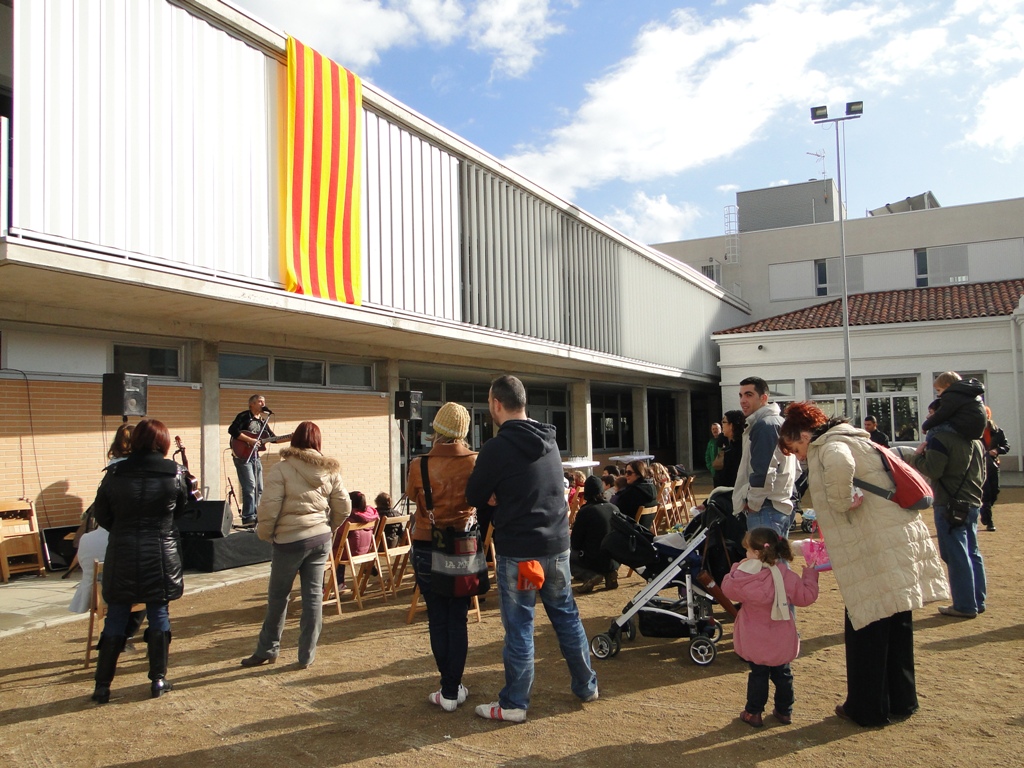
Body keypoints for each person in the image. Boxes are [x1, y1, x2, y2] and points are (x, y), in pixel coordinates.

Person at [778, 402, 949, 727]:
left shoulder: (831, 445)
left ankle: (867, 708)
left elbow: (839, 466)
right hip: (894, 539)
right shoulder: (855, 438)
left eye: (796, 447)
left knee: (866, 623)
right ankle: (902, 700)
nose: (799, 456)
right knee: (897, 620)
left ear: (803, 434)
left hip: (875, 545)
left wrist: (840, 503)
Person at [466, 375, 598, 723]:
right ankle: (586, 684)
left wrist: (496, 493)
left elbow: (474, 494)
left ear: (496, 404)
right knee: (566, 617)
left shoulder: (496, 447)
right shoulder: (550, 440)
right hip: (556, 547)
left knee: (521, 626)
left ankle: (514, 703)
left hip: (520, 551)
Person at [89, 419, 190, 703]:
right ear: (163, 441)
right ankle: (158, 679)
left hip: (123, 549)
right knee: (159, 612)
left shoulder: (115, 472)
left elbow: (103, 514)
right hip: (161, 549)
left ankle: (102, 686)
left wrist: (124, 529)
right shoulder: (175, 472)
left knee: (117, 615)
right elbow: (181, 510)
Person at [241, 421, 350, 669]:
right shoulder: (331, 470)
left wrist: (266, 534)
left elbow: (269, 507)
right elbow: (344, 507)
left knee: (278, 597)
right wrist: (328, 526)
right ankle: (306, 655)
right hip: (320, 538)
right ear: (317, 443)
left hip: (289, 541)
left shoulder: (281, 469)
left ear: (295, 441)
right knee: (313, 598)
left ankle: (267, 649)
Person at [405, 402, 478, 712]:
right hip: (462, 544)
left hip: (426, 541)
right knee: (457, 617)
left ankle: (447, 687)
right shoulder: (476, 461)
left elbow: (411, 495)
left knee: (437, 615)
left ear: (437, 429)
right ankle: (453, 687)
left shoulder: (419, 464)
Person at [722, 527, 819, 728]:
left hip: (755, 636)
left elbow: (728, 589)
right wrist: (810, 574)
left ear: (756, 553)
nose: (745, 555)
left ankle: (753, 712)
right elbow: (806, 596)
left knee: (758, 674)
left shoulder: (746, 577)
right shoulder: (786, 576)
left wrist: (736, 568)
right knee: (783, 673)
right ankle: (785, 711)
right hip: (781, 636)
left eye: (748, 551)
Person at [903, 405, 987, 619]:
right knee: (972, 553)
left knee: (956, 554)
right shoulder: (975, 440)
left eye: (932, 413)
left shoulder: (941, 439)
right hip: (972, 501)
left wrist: (915, 457)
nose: (929, 417)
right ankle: (977, 599)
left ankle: (965, 604)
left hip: (949, 503)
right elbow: (983, 473)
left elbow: (933, 470)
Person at [732, 377, 798, 538]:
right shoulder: (777, 423)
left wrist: (754, 504)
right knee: (776, 562)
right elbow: (796, 470)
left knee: (766, 563)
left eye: (748, 395)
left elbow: (764, 471)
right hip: (777, 506)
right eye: (740, 395)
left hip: (766, 508)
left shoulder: (765, 426)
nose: (743, 400)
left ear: (764, 398)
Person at [228, 394, 278, 526]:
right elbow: (232, 430)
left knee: (260, 487)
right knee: (250, 486)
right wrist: (250, 440)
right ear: (252, 404)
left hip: (255, 456)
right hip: (242, 455)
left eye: (264, 402)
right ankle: (248, 516)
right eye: (260, 402)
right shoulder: (244, 416)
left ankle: (258, 514)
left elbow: (274, 438)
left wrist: (292, 437)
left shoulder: (262, 421)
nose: (263, 404)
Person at [570, 476, 620, 593]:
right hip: (614, 558)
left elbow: (576, 543)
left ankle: (590, 575)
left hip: (594, 558)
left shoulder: (585, 511)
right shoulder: (614, 508)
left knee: (568, 556)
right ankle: (609, 573)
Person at [920, 371, 986, 440]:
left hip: (964, 428)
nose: (939, 395)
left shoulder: (952, 395)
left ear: (947, 385)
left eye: (939, 390)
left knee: (934, 429)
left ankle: (927, 447)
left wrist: (925, 426)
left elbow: (941, 415)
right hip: (977, 430)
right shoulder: (970, 393)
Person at [335, 492, 379, 592]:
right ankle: (339, 583)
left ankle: (335, 584)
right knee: (339, 550)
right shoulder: (370, 516)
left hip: (351, 552)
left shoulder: (349, 519)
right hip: (366, 550)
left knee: (332, 553)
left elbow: (338, 536)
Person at [980, 407, 1009, 532]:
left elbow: (1006, 446)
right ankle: (989, 521)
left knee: (995, 491)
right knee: (986, 493)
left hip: (994, 464)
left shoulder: (997, 431)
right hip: (980, 466)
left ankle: (985, 510)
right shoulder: (973, 431)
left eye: (986, 414)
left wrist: (997, 450)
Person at [612, 460, 658, 527]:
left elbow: (618, 512)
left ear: (639, 474)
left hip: (631, 531)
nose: (626, 475)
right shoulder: (652, 488)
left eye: (629, 473)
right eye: (626, 472)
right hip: (645, 530)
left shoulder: (631, 492)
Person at [717, 410, 745, 489]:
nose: (722, 424)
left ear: (731, 425)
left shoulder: (740, 448)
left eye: (724, 422)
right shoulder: (730, 446)